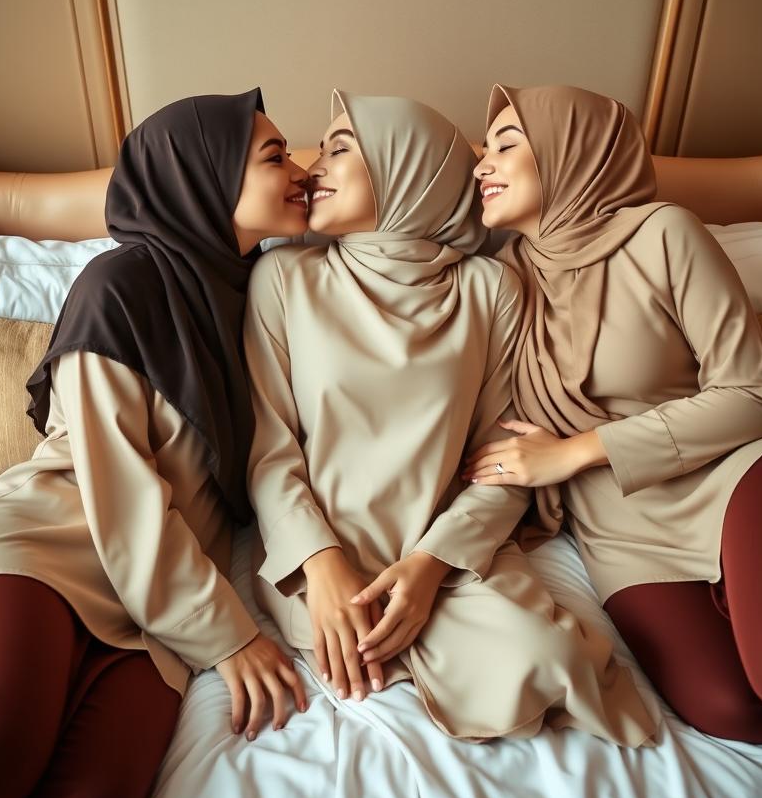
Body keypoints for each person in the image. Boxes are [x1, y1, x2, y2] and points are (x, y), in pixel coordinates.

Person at [0, 90, 313, 798]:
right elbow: (122, 497)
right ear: (203, 178)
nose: (299, 170)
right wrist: (229, 635)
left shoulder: (258, 299)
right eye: (274, 156)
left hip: (144, 628)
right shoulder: (119, 288)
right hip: (40, 552)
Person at [464, 83, 762, 749]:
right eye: (483, 150)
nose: (481, 163)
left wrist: (575, 451)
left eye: (506, 145)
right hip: (624, 533)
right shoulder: (499, 281)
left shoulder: (663, 233)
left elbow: (750, 393)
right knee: (731, 709)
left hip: (743, 472)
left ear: (576, 151)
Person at [245, 90, 654, 744]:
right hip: (324, 559)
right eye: (319, 147)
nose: (312, 164)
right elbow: (270, 451)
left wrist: (431, 566)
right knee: (359, 640)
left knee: (554, 662)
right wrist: (322, 567)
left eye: (340, 148)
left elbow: (503, 455)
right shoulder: (284, 279)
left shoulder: (489, 290)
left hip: (449, 556)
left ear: (410, 168)